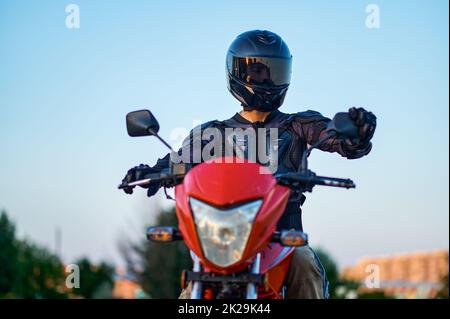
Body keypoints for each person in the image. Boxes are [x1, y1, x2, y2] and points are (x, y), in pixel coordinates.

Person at [121, 30, 377, 298]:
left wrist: (358, 133)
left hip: (282, 240)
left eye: (273, 71)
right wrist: (152, 172)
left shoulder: (300, 126)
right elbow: (179, 159)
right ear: (238, 73)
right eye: (257, 71)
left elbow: (336, 139)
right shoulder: (212, 133)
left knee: (304, 262)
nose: (266, 79)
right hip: (223, 240)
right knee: (190, 292)